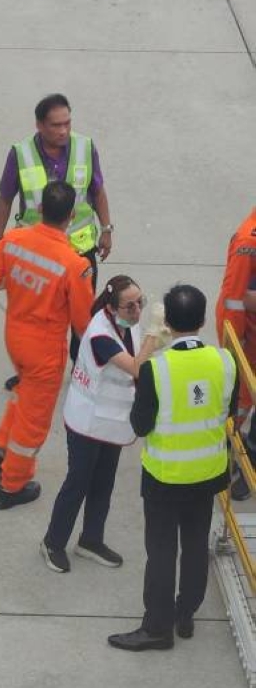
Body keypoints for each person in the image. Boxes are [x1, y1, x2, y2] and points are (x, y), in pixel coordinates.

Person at [109, 285, 238, 652]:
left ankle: (157, 627)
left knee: (162, 551)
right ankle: (185, 615)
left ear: (167, 323)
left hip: (165, 478)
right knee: (196, 545)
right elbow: (228, 411)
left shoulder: (155, 370)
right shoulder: (225, 361)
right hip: (208, 474)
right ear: (201, 319)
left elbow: (140, 425)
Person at [0, 180, 95, 510]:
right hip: (45, 349)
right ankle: (12, 485)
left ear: (40, 208)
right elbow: (83, 322)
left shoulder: (13, 240)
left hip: (14, 337)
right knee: (34, 419)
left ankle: (1, 451)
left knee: (23, 396)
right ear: (71, 216)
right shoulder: (75, 265)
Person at [40, 276, 163, 573]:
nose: (137, 310)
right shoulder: (99, 334)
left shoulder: (126, 323)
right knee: (77, 483)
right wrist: (154, 334)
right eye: (130, 305)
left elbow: (137, 359)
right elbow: (135, 366)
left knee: (103, 484)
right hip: (86, 422)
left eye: (140, 302)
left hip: (110, 422)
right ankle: (52, 543)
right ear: (111, 307)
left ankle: (91, 540)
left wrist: (156, 337)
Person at [0, 94, 113, 387]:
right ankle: (30, 372)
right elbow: (5, 201)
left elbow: (97, 191)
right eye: (56, 125)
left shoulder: (85, 148)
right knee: (35, 318)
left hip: (80, 252)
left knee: (81, 316)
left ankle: (79, 369)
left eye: (67, 123)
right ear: (39, 125)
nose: (63, 131)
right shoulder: (20, 154)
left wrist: (106, 227)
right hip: (38, 256)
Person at [215, 207, 256, 499]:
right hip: (246, 340)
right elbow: (235, 299)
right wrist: (234, 346)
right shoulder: (248, 242)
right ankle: (240, 460)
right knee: (239, 400)